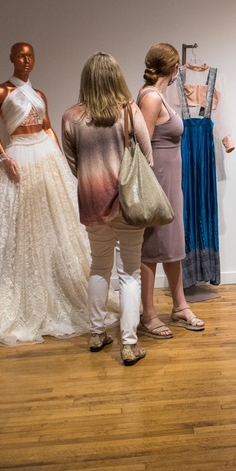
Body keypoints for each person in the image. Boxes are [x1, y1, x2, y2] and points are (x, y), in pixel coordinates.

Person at [0, 42, 102, 346]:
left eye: (31, 55)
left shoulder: (40, 95)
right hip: (18, 154)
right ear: (11, 58)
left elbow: (47, 127)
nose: (26, 60)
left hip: (44, 155)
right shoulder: (1, 92)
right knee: (14, 227)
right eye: (21, 55)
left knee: (54, 224)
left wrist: (62, 161)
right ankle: (17, 295)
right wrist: (3, 157)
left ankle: (56, 288)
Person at [61, 52, 150, 366]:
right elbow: (147, 158)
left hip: (92, 203)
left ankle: (97, 334)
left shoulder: (71, 117)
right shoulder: (129, 111)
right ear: (116, 77)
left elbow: (74, 165)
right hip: (127, 203)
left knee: (99, 268)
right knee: (130, 274)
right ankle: (128, 344)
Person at [137, 43, 204, 339]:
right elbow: (142, 145)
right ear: (174, 68)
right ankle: (148, 315)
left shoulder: (158, 95)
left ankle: (179, 306)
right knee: (152, 247)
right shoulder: (150, 98)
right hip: (158, 181)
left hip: (169, 181)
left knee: (173, 243)